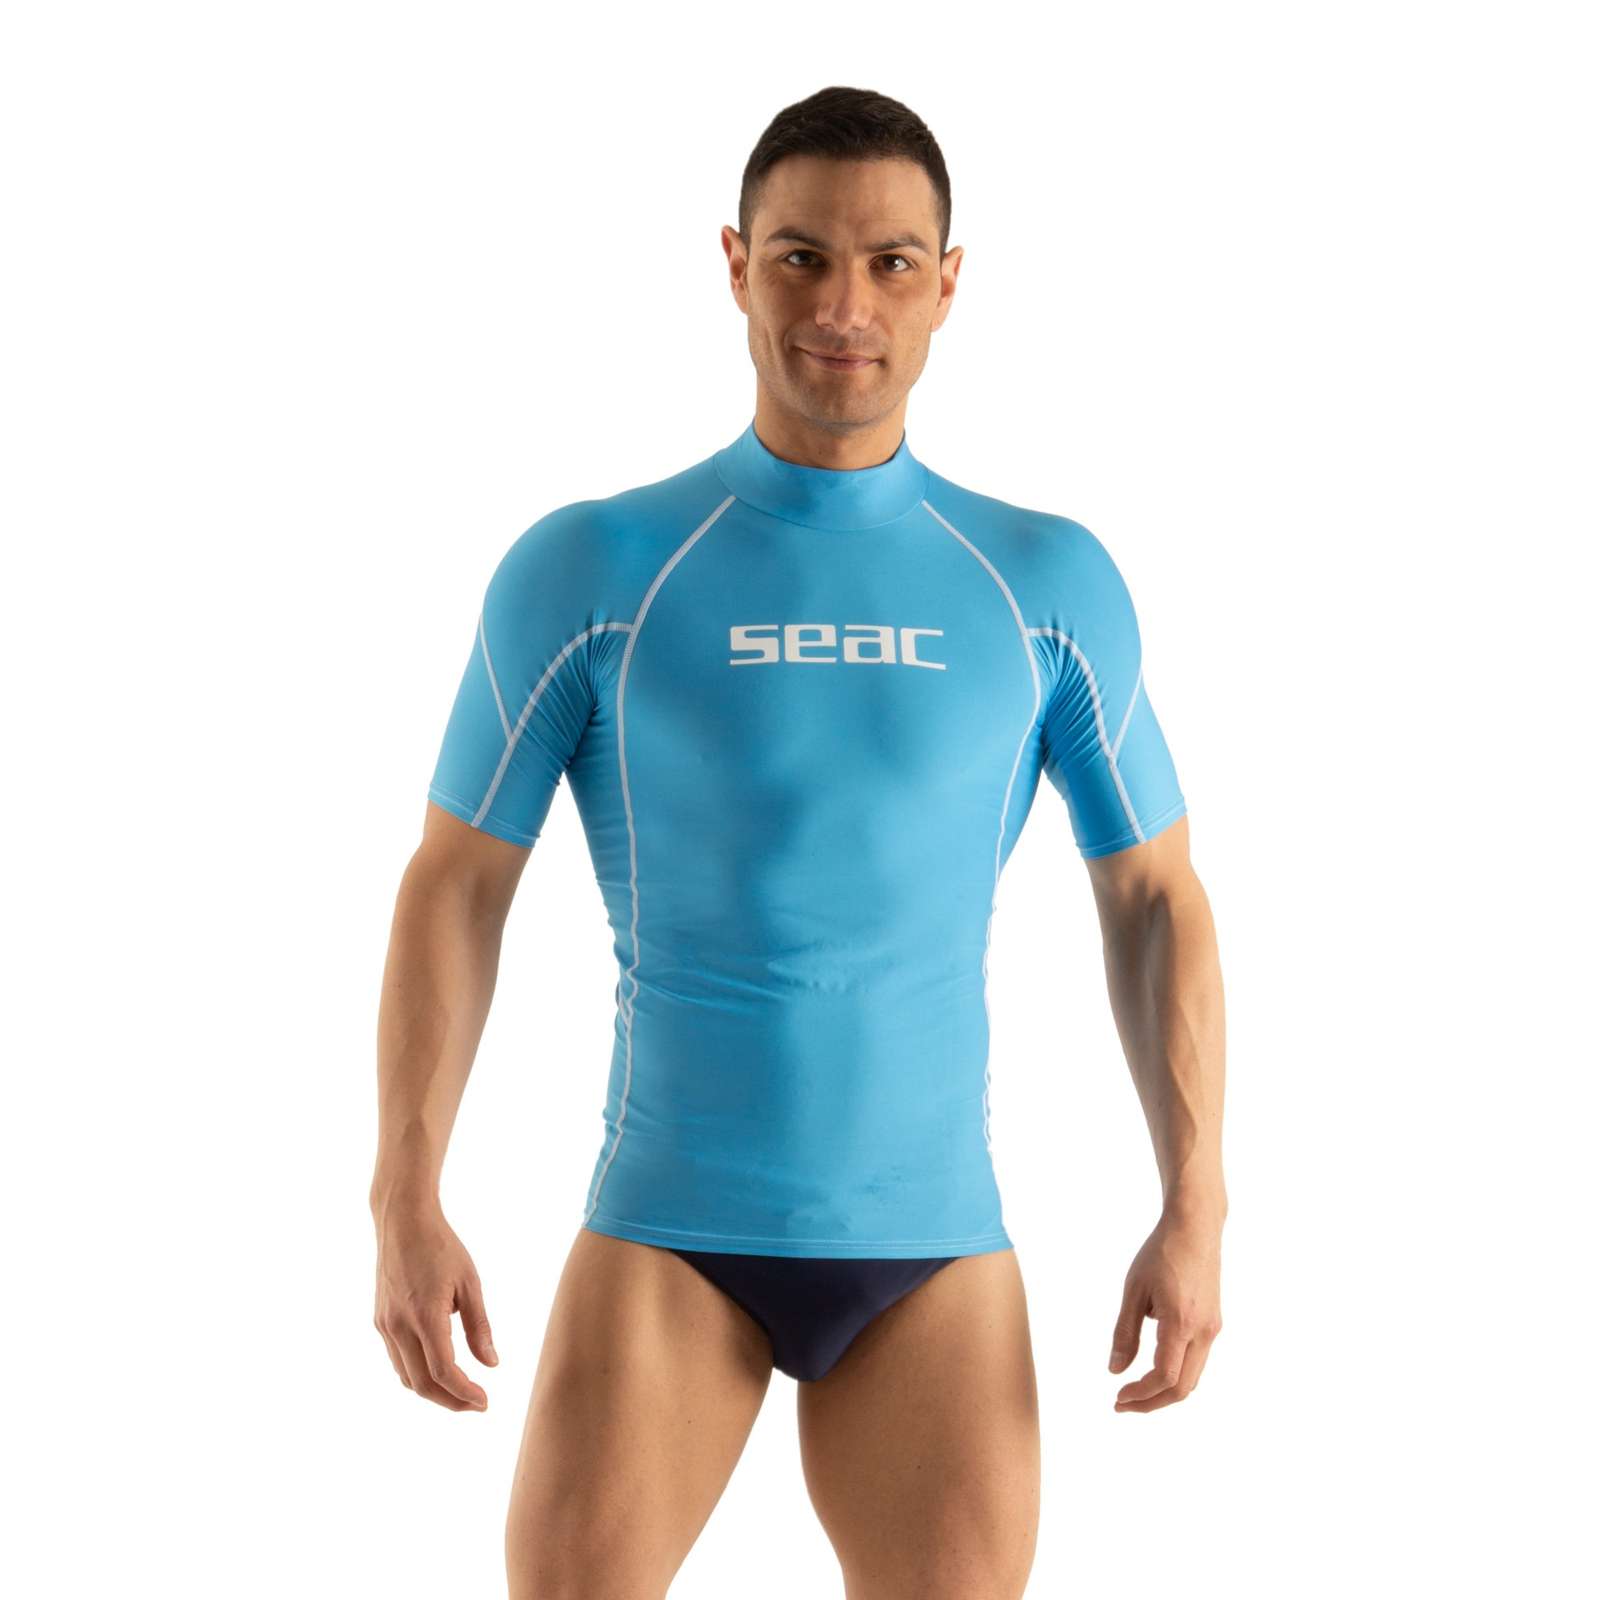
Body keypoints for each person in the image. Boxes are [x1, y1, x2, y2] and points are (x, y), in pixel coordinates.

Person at [370, 83, 1226, 1600]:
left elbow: (1155, 896)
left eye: (890, 263)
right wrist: (404, 1197)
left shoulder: (1043, 583)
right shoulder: (595, 569)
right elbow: (457, 884)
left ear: (948, 284)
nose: (844, 307)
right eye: (801, 259)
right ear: (735, 265)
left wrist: (1195, 1207)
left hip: (933, 1250)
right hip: (669, 1234)